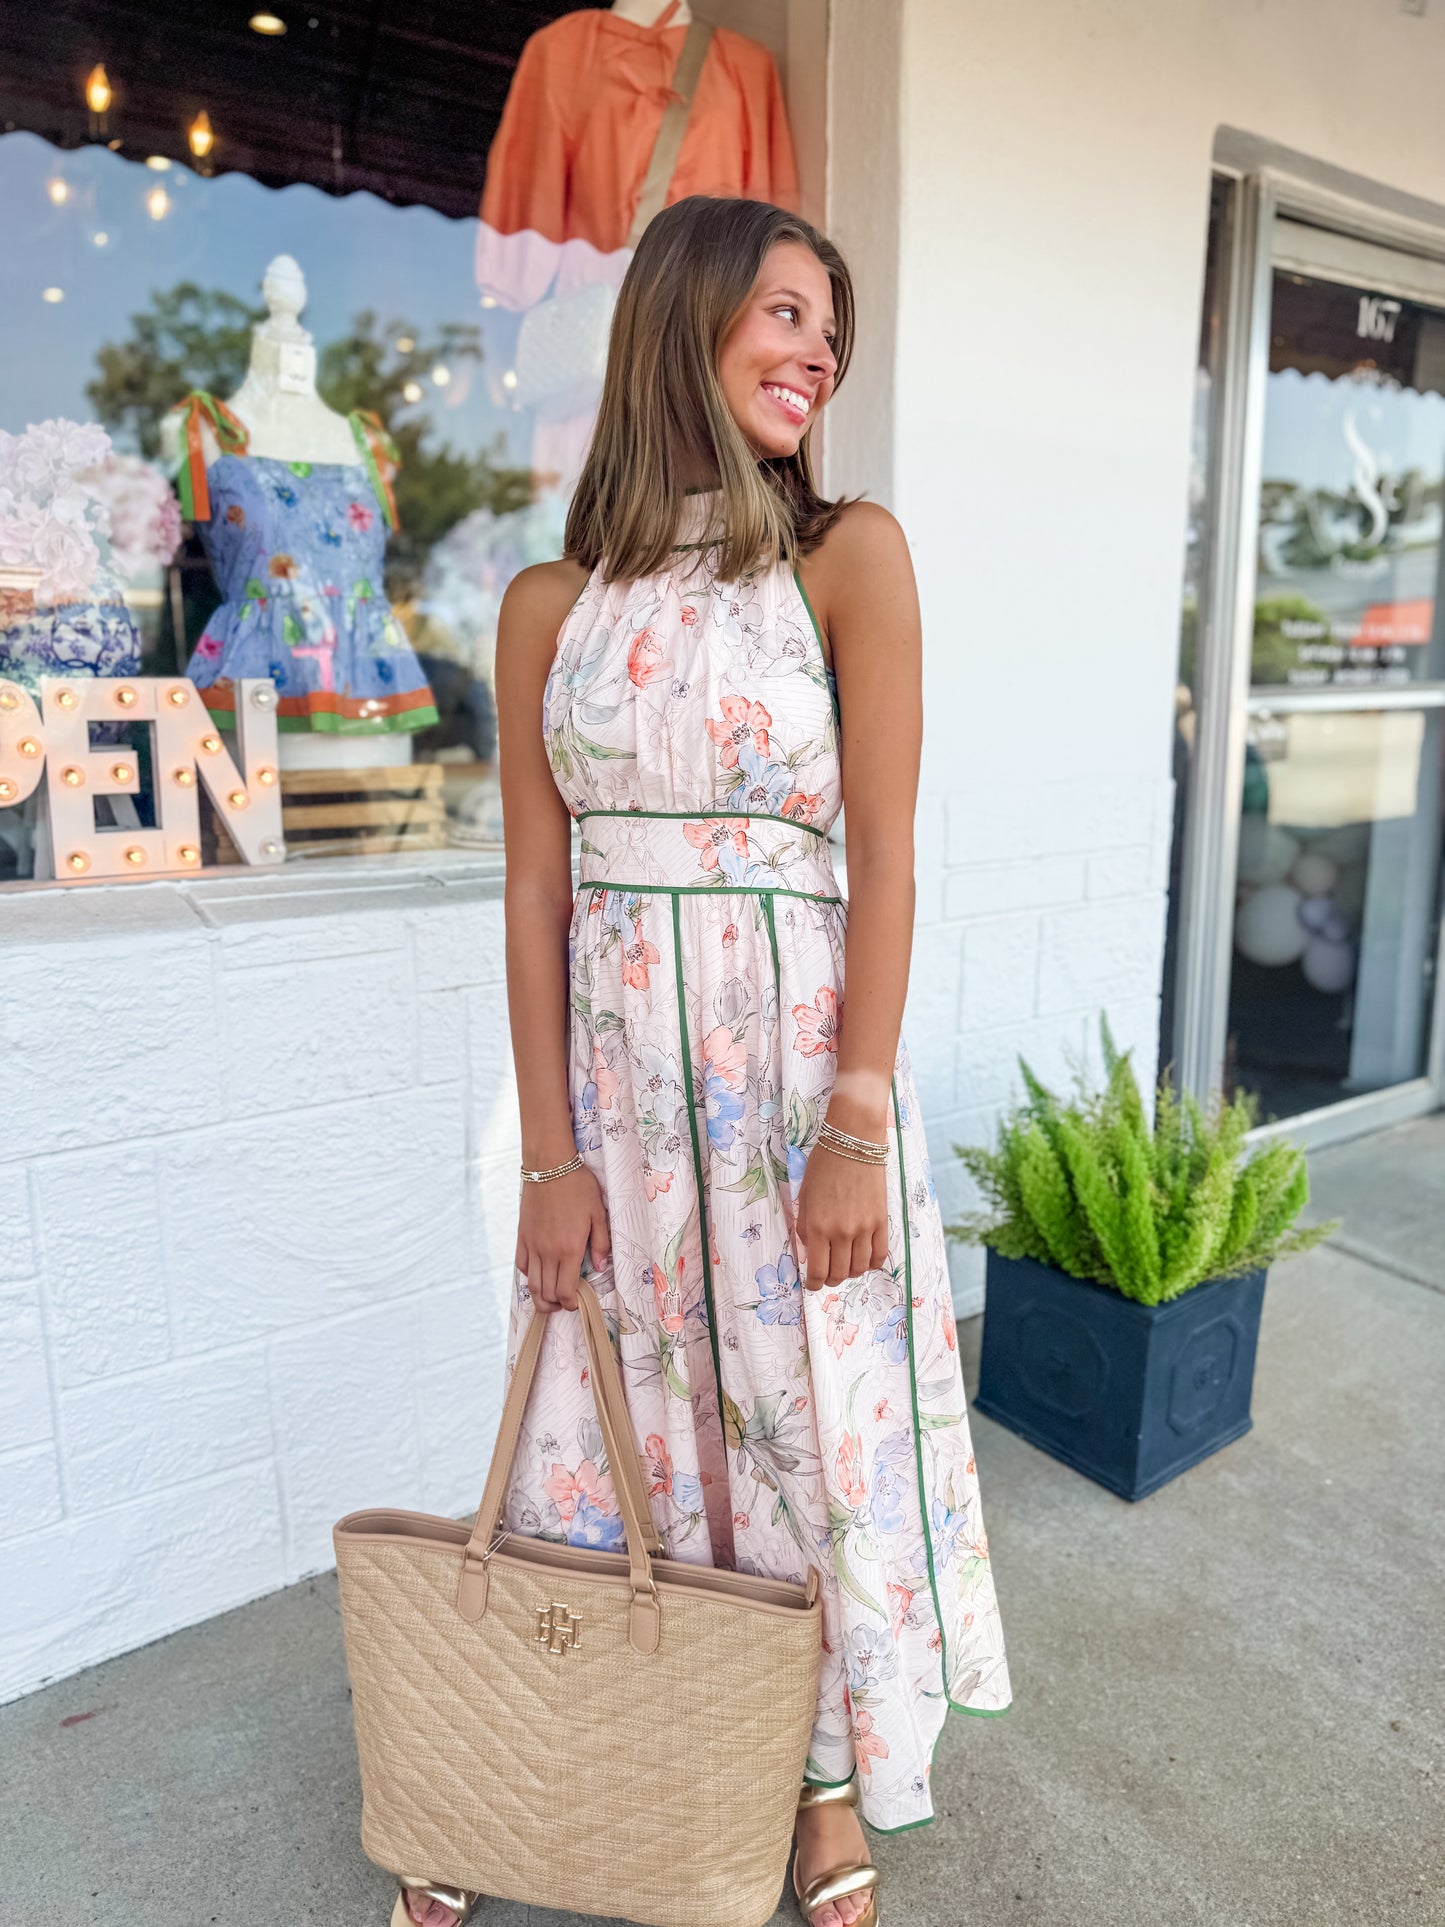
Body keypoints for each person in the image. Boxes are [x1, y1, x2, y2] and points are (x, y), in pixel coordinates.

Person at [396, 194, 1010, 1927]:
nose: (818, 350)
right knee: (601, 1427)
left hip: (793, 1100)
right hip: (615, 1122)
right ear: (687, 315)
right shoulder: (549, 601)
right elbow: (534, 894)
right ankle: (535, 1759)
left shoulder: (846, 558)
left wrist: (857, 1123)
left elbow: (884, 858)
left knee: (802, 1436)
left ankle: (819, 1784)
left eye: (830, 325)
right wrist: (547, 1158)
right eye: (785, 312)